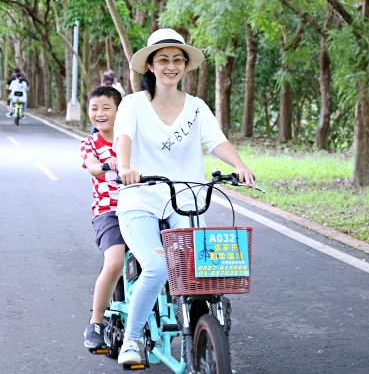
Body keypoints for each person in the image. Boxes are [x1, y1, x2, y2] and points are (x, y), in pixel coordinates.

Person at [113, 28, 256, 366]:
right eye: (163, 59)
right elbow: (124, 139)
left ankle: (205, 326)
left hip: (186, 198)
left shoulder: (196, 108)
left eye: (178, 60)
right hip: (140, 199)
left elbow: (216, 141)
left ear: (185, 67)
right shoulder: (133, 105)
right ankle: (132, 339)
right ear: (150, 65)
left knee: (202, 270)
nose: (171, 66)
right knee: (159, 266)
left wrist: (239, 164)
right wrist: (125, 167)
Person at [80, 86, 125, 351]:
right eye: (94, 108)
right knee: (115, 261)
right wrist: (108, 165)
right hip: (109, 212)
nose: (100, 113)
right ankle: (96, 322)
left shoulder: (131, 138)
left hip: (141, 207)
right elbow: (93, 167)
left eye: (106, 108)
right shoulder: (91, 143)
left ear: (119, 111)